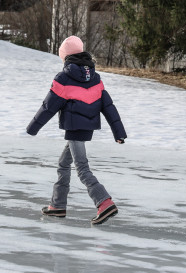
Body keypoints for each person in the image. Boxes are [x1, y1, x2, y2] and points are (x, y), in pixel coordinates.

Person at [26, 36, 127, 225]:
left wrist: (32, 128)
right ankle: (57, 206)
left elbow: (49, 106)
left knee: (82, 168)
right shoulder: (95, 78)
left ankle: (104, 202)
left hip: (74, 127)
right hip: (86, 128)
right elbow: (109, 106)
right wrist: (119, 132)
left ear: (65, 57)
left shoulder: (64, 78)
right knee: (64, 164)